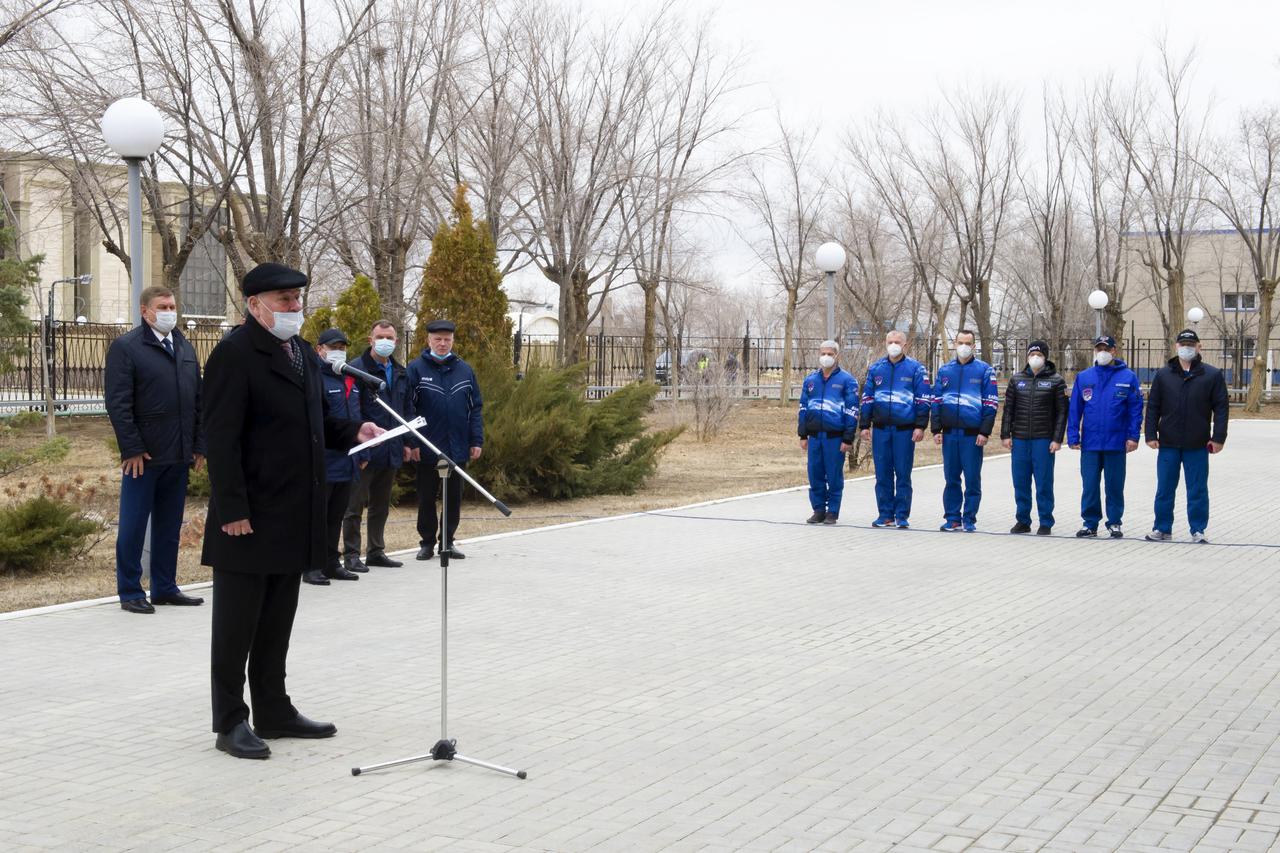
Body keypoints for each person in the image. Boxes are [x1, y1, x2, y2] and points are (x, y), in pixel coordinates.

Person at [201, 263, 382, 760]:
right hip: (248, 517)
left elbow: (316, 420)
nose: (294, 308)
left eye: (297, 299)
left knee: (278, 619)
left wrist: (354, 432)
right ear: (255, 305)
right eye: (284, 300)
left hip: (292, 512)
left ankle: (274, 710)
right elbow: (219, 439)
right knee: (237, 625)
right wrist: (232, 508)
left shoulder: (301, 353)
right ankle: (230, 721)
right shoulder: (233, 356)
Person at [104, 286, 206, 614]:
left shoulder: (185, 348)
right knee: (133, 526)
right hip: (143, 457)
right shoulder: (127, 348)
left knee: (168, 526)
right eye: (162, 306)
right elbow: (118, 403)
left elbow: (198, 401)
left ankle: (165, 587)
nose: (169, 311)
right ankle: (130, 590)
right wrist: (131, 447)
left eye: (173, 305)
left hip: (178, 454)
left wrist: (198, 445)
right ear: (145, 311)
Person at [406, 319, 483, 561]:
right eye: (437, 339)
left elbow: (476, 408)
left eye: (447, 339)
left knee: (453, 498)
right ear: (428, 340)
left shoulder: (465, 370)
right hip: (428, 447)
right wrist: (413, 442)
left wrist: (476, 440)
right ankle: (427, 543)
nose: (442, 343)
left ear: (452, 341)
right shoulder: (416, 369)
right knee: (427, 497)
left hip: (457, 446)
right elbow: (408, 409)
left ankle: (447, 542)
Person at [1143, 329, 1229, 543]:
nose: (1187, 348)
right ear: (1176, 347)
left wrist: (1218, 438)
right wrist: (1150, 434)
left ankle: (1198, 529)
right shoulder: (1163, 375)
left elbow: (1221, 408)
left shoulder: (1211, 375)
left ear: (1199, 347)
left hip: (1197, 443)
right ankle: (1162, 528)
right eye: (1183, 344)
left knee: (1197, 489)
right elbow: (1153, 406)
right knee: (1164, 488)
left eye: (1191, 344)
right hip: (1168, 443)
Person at [342, 320, 411, 571]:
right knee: (354, 505)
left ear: (395, 341)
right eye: (380, 337)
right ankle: (350, 554)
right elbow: (352, 410)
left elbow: (404, 410)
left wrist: (406, 442)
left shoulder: (400, 372)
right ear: (370, 340)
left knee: (380, 505)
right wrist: (361, 446)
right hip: (366, 449)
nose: (385, 342)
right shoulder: (357, 370)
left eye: (390, 338)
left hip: (391, 447)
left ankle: (376, 550)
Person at [1066, 335, 1143, 538]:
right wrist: (1073, 435)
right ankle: (1090, 523)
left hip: (1116, 442)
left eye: (1106, 349)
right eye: (1098, 348)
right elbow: (1075, 408)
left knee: (1114, 485)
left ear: (1114, 351)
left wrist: (1133, 436)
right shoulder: (1084, 377)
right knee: (1089, 484)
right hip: (1090, 443)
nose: (1102, 352)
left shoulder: (1128, 377)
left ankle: (1115, 522)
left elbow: (1135, 409)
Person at [306, 328, 365, 586]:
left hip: (348, 457)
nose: (338, 351)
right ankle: (312, 565)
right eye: (333, 347)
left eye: (342, 346)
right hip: (324, 459)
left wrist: (364, 450)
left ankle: (332, 562)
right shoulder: (315, 377)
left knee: (336, 515)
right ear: (320, 350)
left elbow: (358, 418)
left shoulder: (349, 378)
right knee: (317, 516)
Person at [858, 330, 930, 529]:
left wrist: (920, 426)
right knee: (882, 474)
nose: (893, 345)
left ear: (905, 345)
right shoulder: (875, 369)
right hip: (881, 430)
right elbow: (868, 399)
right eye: (890, 341)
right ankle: (885, 514)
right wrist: (864, 425)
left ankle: (902, 515)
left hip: (905, 431)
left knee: (903, 474)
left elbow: (923, 399)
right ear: (885, 343)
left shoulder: (916, 369)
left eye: (897, 341)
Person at [931, 330, 998, 532]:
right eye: (960, 342)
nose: (963, 346)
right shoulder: (944, 371)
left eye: (967, 343)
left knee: (972, 479)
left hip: (972, 436)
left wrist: (984, 432)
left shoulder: (985, 371)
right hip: (950, 434)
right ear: (954, 343)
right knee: (951, 478)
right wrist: (936, 429)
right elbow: (936, 402)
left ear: (974, 345)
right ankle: (952, 517)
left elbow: (991, 404)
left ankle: (969, 518)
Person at [999, 341, 1068, 535]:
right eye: (1032, 354)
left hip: (1043, 440)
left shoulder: (1056, 381)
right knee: (1020, 481)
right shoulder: (1016, 379)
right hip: (1020, 439)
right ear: (1027, 357)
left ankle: (1046, 521)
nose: (1035, 357)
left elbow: (1062, 412)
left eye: (1039, 354)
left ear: (1045, 357)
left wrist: (1057, 439)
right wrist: (1006, 435)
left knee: (1044, 482)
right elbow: (1008, 410)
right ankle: (1023, 520)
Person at [797, 340, 859, 525]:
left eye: (830, 354)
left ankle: (832, 511)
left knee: (833, 475)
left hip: (835, 437)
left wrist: (848, 438)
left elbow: (852, 410)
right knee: (815, 473)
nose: (826, 357)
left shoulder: (847, 381)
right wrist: (803, 435)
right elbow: (803, 408)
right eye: (823, 353)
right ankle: (818, 509)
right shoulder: (810, 380)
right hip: (815, 437)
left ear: (837, 355)